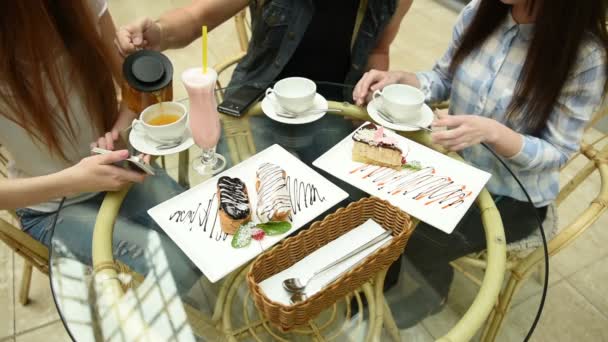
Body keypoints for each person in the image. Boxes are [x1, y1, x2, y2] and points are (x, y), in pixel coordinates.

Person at [353, 0, 608, 325]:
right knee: (375, 197)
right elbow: (444, 78)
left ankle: (428, 293)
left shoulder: (585, 57)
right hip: (455, 170)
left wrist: (494, 133)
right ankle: (383, 285)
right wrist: (404, 80)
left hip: (515, 197)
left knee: (419, 238)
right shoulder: (480, 12)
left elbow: (557, 153)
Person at [0, 1, 198, 289]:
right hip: (51, 208)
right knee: (171, 270)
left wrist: (119, 129)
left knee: (201, 237)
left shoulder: (79, 7)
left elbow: (134, 90)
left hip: (116, 171)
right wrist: (72, 181)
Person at [115, 0, 413, 91]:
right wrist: (159, 32)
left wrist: (372, 95)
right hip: (256, 102)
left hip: (336, 111)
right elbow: (197, 17)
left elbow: (378, 50)